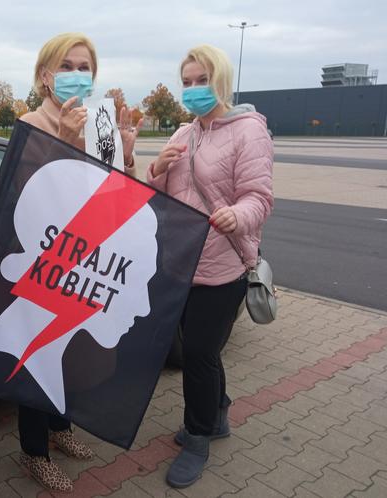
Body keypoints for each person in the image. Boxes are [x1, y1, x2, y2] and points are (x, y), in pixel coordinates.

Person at [15, 32, 142, 493]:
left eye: (83, 66)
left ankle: (60, 427)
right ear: (45, 75)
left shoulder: (98, 121)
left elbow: (113, 196)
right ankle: (33, 452)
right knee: (39, 355)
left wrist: (125, 156)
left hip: (85, 260)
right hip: (44, 262)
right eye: (65, 66)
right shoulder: (29, 124)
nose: (75, 75)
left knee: (69, 351)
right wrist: (63, 142)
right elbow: (29, 198)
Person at [146, 44, 273, 488]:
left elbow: (259, 197)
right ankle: (216, 413)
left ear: (221, 81)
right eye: (187, 81)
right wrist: (157, 168)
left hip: (224, 266)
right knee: (205, 351)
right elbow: (161, 189)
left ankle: (198, 437)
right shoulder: (184, 133)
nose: (194, 89)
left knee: (198, 353)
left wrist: (237, 215)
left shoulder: (248, 131)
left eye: (202, 80)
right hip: (182, 261)